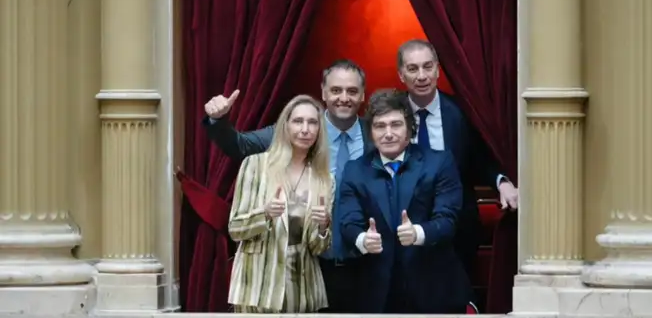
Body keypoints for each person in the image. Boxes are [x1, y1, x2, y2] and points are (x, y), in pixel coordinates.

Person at [204, 59, 372, 312]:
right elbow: (239, 145)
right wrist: (218, 120)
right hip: (303, 268)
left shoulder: (378, 134)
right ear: (324, 92)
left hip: (362, 264)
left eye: (352, 91)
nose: (344, 98)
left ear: (362, 95)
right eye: (336, 90)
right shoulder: (293, 129)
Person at [396, 39, 519, 291]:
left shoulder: (463, 111)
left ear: (438, 69)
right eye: (412, 68)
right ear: (401, 75)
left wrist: (502, 182)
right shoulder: (390, 115)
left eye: (427, 66)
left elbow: (479, 159)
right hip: (404, 229)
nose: (422, 76)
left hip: (457, 229)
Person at [336, 89, 472, 314]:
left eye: (396, 125)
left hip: (433, 289)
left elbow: (448, 219)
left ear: (410, 128)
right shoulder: (355, 170)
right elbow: (349, 220)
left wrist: (418, 233)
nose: (388, 133)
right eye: (380, 126)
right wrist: (362, 239)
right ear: (371, 132)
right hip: (376, 292)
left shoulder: (439, 162)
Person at [227, 95, 333, 313]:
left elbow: (318, 248)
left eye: (312, 123)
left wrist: (323, 227)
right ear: (285, 125)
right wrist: (264, 213)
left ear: (319, 130)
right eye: (298, 121)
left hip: (302, 289)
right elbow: (235, 229)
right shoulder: (255, 165)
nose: (305, 129)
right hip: (257, 286)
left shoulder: (324, 179)